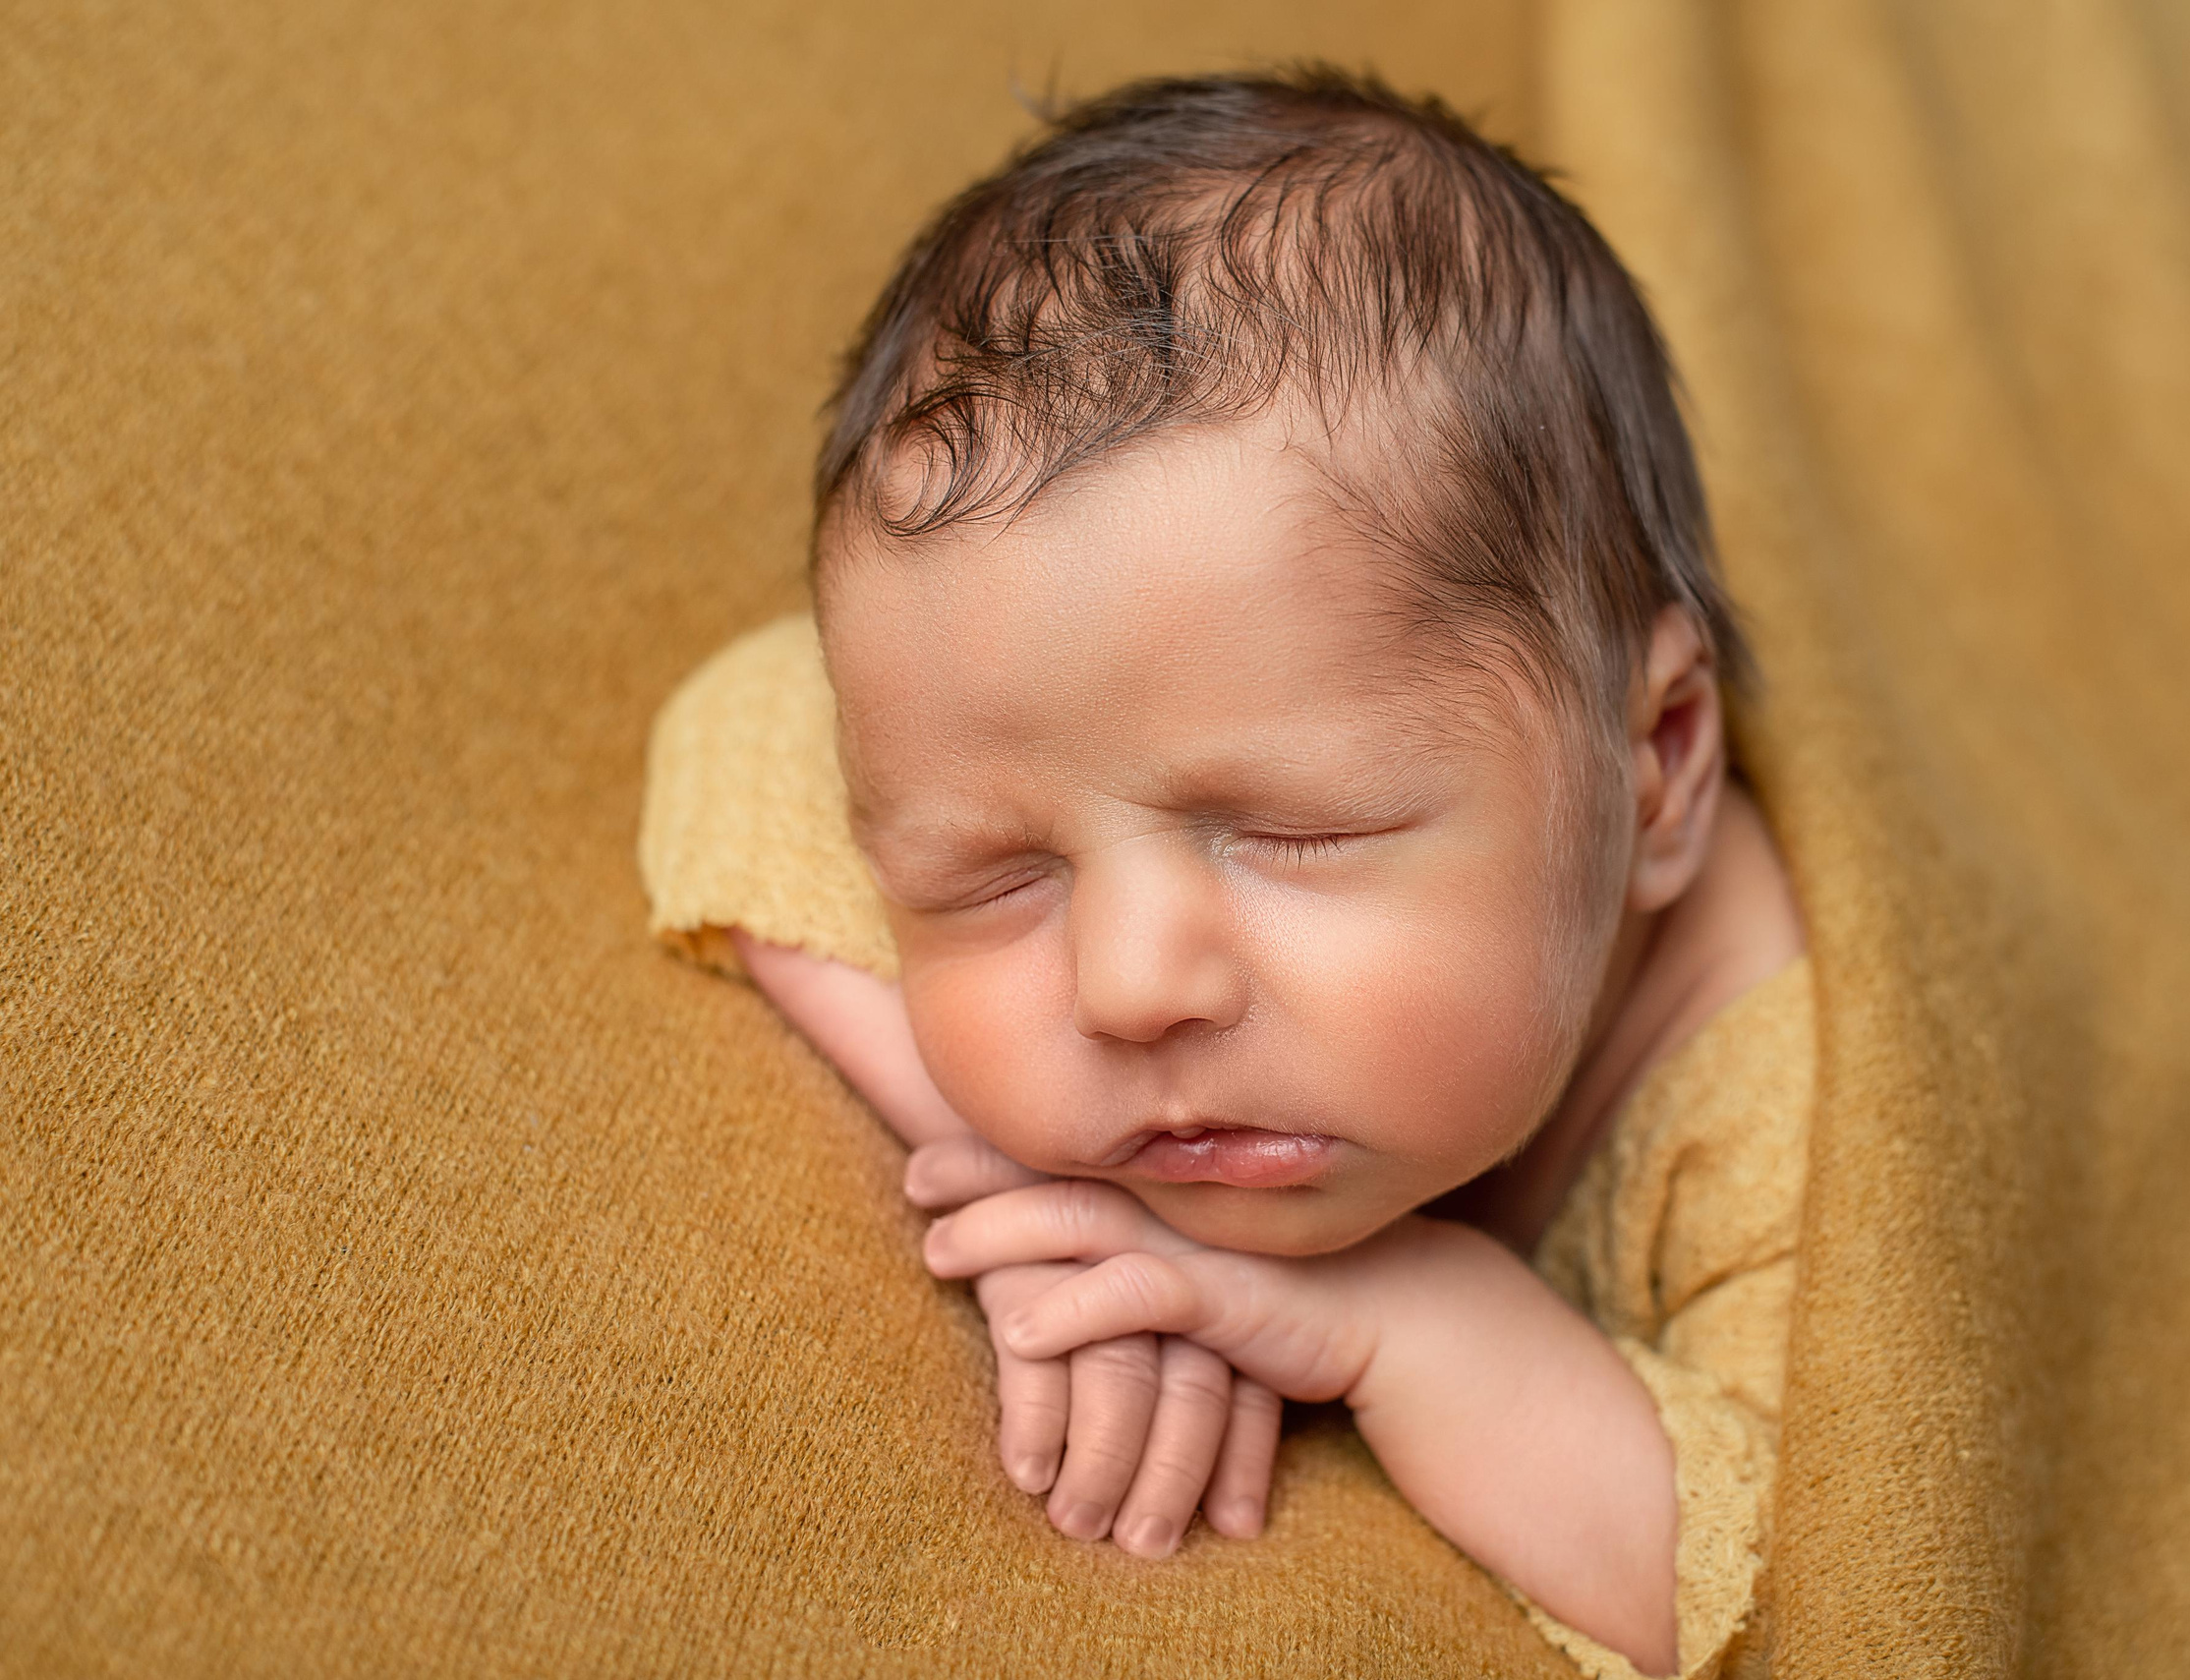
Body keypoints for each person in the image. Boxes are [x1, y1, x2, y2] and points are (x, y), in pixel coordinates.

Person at [674, 67, 1809, 1677]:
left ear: (1658, 765)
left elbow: (1847, 1598)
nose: (1129, 984)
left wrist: (1408, 1312)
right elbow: (729, 728)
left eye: (1293, 833)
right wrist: (1046, 1187)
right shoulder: (1079, 741)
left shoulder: (1782, 1102)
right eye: (997, 875)